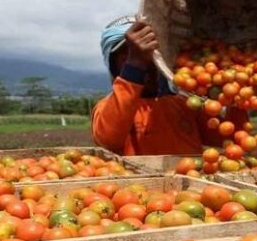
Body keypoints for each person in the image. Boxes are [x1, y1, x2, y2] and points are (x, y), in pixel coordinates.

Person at [92, 16, 248, 156]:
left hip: (191, 187)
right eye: (128, 54)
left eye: (151, 53)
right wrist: (135, 64)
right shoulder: (107, 108)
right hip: (140, 188)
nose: (146, 60)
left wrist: (234, 95)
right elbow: (108, 139)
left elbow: (230, 137)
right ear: (113, 65)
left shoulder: (184, 104)